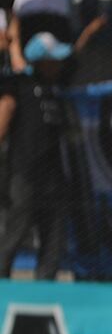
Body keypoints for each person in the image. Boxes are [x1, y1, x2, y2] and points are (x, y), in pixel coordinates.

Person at [0, 34, 76, 280]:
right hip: (25, 173)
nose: (59, 64)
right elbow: (6, 111)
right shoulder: (19, 84)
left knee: (53, 239)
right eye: (53, 59)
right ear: (41, 61)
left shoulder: (56, 90)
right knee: (14, 233)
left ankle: (44, 291)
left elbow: (76, 57)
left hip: (53, 176)